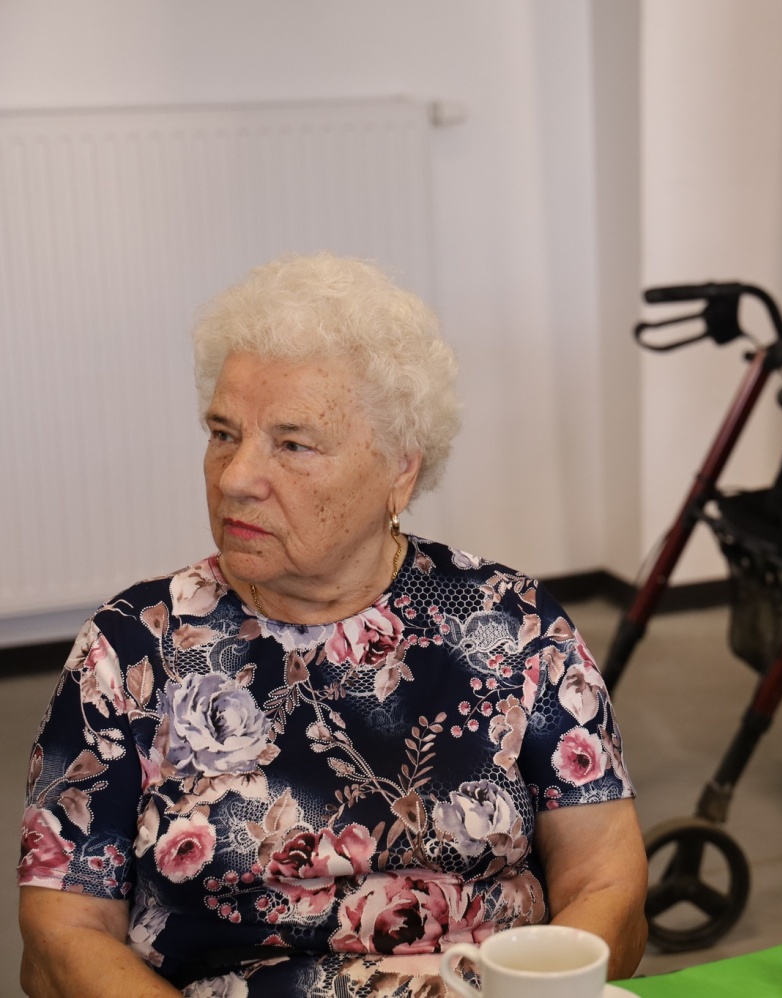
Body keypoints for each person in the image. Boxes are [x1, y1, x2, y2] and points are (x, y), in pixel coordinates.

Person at [17, 254, 648, 997]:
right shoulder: (132, 647)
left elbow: (607, 883)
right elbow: (63, 934)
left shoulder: (513, 626)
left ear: (399, 470)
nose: (234, 477)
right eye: (223, 433)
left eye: (293, 444)